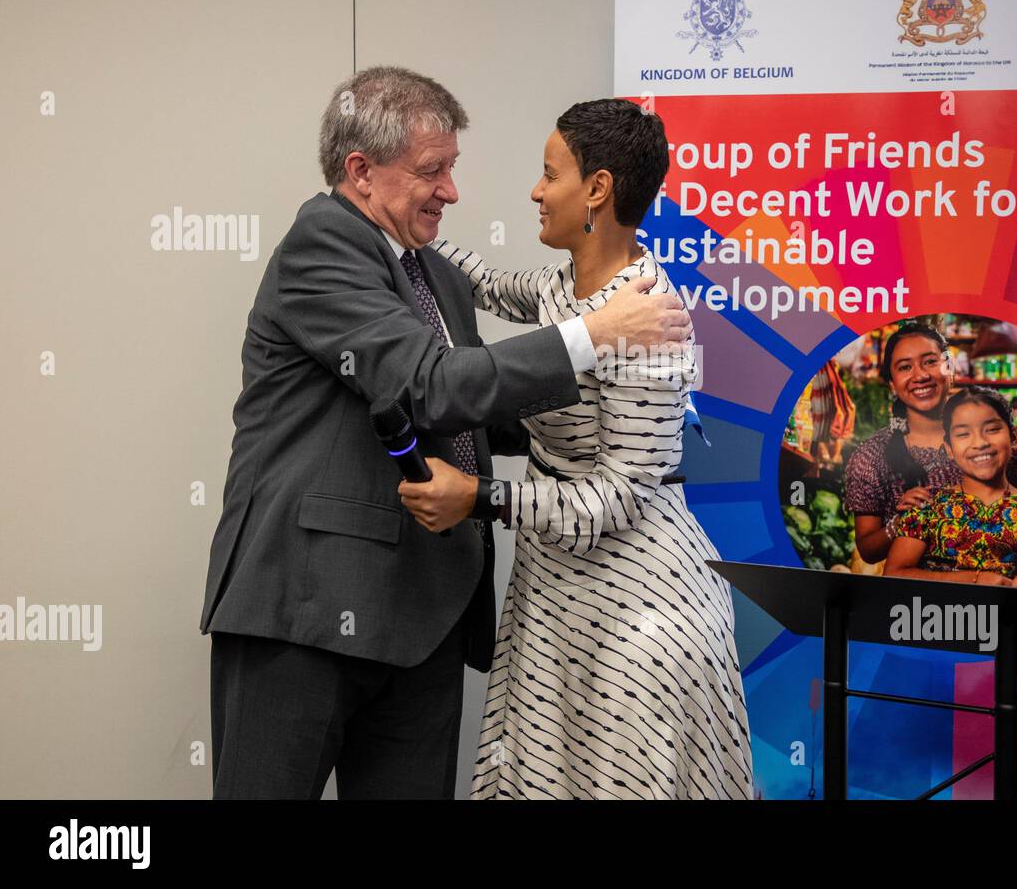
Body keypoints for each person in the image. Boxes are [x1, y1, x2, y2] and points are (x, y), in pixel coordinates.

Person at [199, 67, 691, 799]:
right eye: (433, 170)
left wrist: (618, 431)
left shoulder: (433, 272)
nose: (453, 191)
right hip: (304, 614)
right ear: (360, 171)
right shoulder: (323, 244)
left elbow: (476, 413)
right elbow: (426, 385)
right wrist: (594, 335)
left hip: (422, 621)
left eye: (452, 168)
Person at [397, 99, 754, 799]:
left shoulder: (651, 317)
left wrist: (479, 498)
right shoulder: (564, 287)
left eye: (548, 173)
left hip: (642, 606)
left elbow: (616, 499)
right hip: (559, 592)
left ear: (597, 189)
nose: (535, 191)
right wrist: (400, 216)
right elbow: (484, 284)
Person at [842, 323, 1017, 564]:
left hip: (1002, 585)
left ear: (950, 368)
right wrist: (899, 523)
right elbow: (868, 552)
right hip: (919, 593)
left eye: (930, 362)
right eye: (905, 367)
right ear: (892, 383)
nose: (920, 375)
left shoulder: (995, 441)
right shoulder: (871, 456)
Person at [883, 387, 1017, 588]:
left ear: (1013, 438)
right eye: (963, 434)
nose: (980, 442)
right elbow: (894, 574)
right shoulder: (927, 506)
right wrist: (974, 579)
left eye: (992, 429)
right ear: (949, 448)